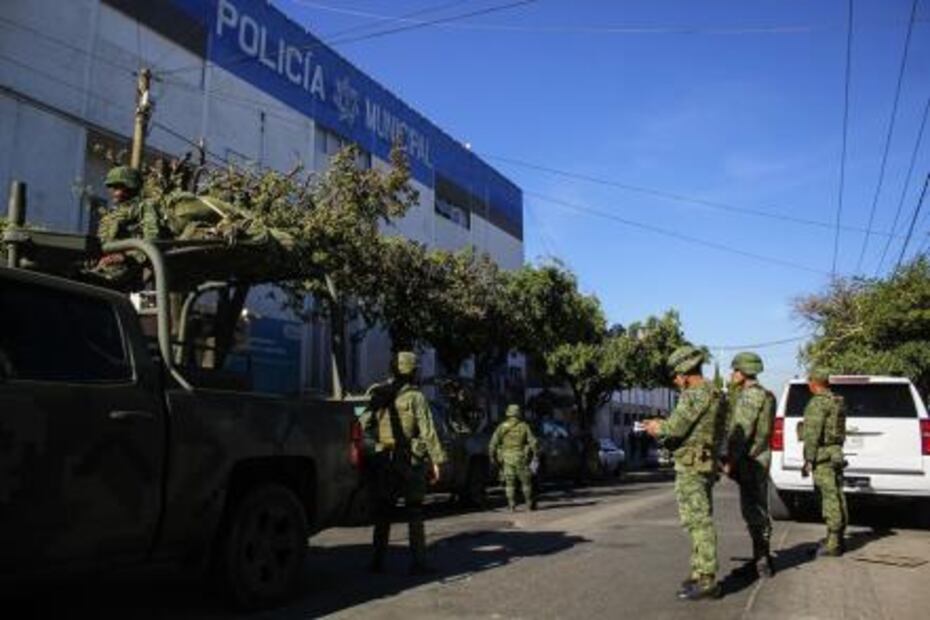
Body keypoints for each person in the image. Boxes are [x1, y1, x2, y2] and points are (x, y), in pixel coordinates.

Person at [644, 345, 726, 601]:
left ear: (685, 372)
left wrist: (657, 427)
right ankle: (699, 571)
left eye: (676, 375)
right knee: (699, 518)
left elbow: (676, 429)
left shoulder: (694, 394)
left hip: (692, 465)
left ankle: (707, 578)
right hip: (705, 462)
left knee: (697, 521)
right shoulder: (715, 392)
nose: (675, 380)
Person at [360, 351, 448, 574]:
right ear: (413, 371)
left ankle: (376, 561)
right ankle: (418, 563)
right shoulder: (416, 397)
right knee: (415, 512)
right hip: (409, 461)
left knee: (384, 512)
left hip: (384, 460)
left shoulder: (377, 392)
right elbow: (428, 431)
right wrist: (437, 461)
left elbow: (363, 422)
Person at [723, 352, 776, 577]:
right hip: (760, 457)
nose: (732, 374)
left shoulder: (750, 396)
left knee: (754, 511)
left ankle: (762, 562)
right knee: (758, 508)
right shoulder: (767, 395)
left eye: (734, 370)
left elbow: (741, 434)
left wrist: (729, 461)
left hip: (751, 460)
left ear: (743, 371)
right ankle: (760, 558)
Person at [801, 368, 848, 557]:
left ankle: (833, 543)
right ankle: (836, 537)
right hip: (835, 453)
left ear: (814, 382)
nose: (808, 384)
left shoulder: (817, 403)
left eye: (809, 381)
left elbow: (812, 434)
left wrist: (808, 459)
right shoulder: (837, 400)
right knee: (837, 495)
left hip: (823, 456)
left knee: (829, 498)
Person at [489, 404, 539, 512]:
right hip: (521, 457)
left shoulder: (502, 427)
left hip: (506, 458)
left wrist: (492, 457)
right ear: (518, 413)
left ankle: (511, 506)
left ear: (508, 413)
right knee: (526, 483)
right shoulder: (524, 426)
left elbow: (493, 443)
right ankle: (529, 505)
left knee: (509, 484)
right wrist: (535, 455)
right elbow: (533, 442)